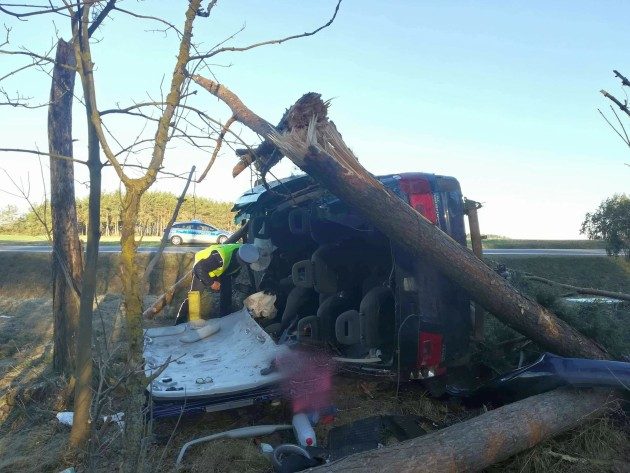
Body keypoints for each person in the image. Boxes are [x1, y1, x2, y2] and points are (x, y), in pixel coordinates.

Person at [175, 243, 261, 323]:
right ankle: (181, 320)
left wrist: (234, 280)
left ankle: (224, 317)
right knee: (195, 295)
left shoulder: (245, 251)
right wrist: (211, 283)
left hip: (223, 269)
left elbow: (235, 268)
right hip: (203, 268)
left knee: (227, 292)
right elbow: (199, 268)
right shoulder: (219, 257)